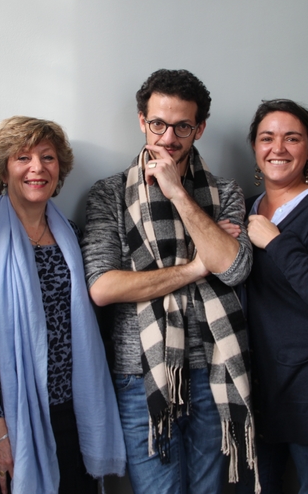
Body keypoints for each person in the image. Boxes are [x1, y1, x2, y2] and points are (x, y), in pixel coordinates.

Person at [81, 69, 256, 494]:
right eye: (158, 124)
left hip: (216, 369)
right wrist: (198, 267)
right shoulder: (109, 194)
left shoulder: (225, 192)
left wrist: (177, 192)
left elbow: (234, 268)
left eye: (182, 126)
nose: (168, 138)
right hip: (141, 373)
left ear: (200, 128)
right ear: (142, 121)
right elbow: (104, 287)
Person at [0, 116, 126, 494]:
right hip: (9, 417)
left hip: (74, 412)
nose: (37, 168)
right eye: (22, 158)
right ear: (4, 169)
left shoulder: (73, 237)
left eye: (47, 157)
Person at [236, 100, 308, 494]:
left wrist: (279, 243)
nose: (278, 148)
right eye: (267, 138)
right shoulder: (251, 208)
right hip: (263, 381)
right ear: (255, 147)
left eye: (292, 138)